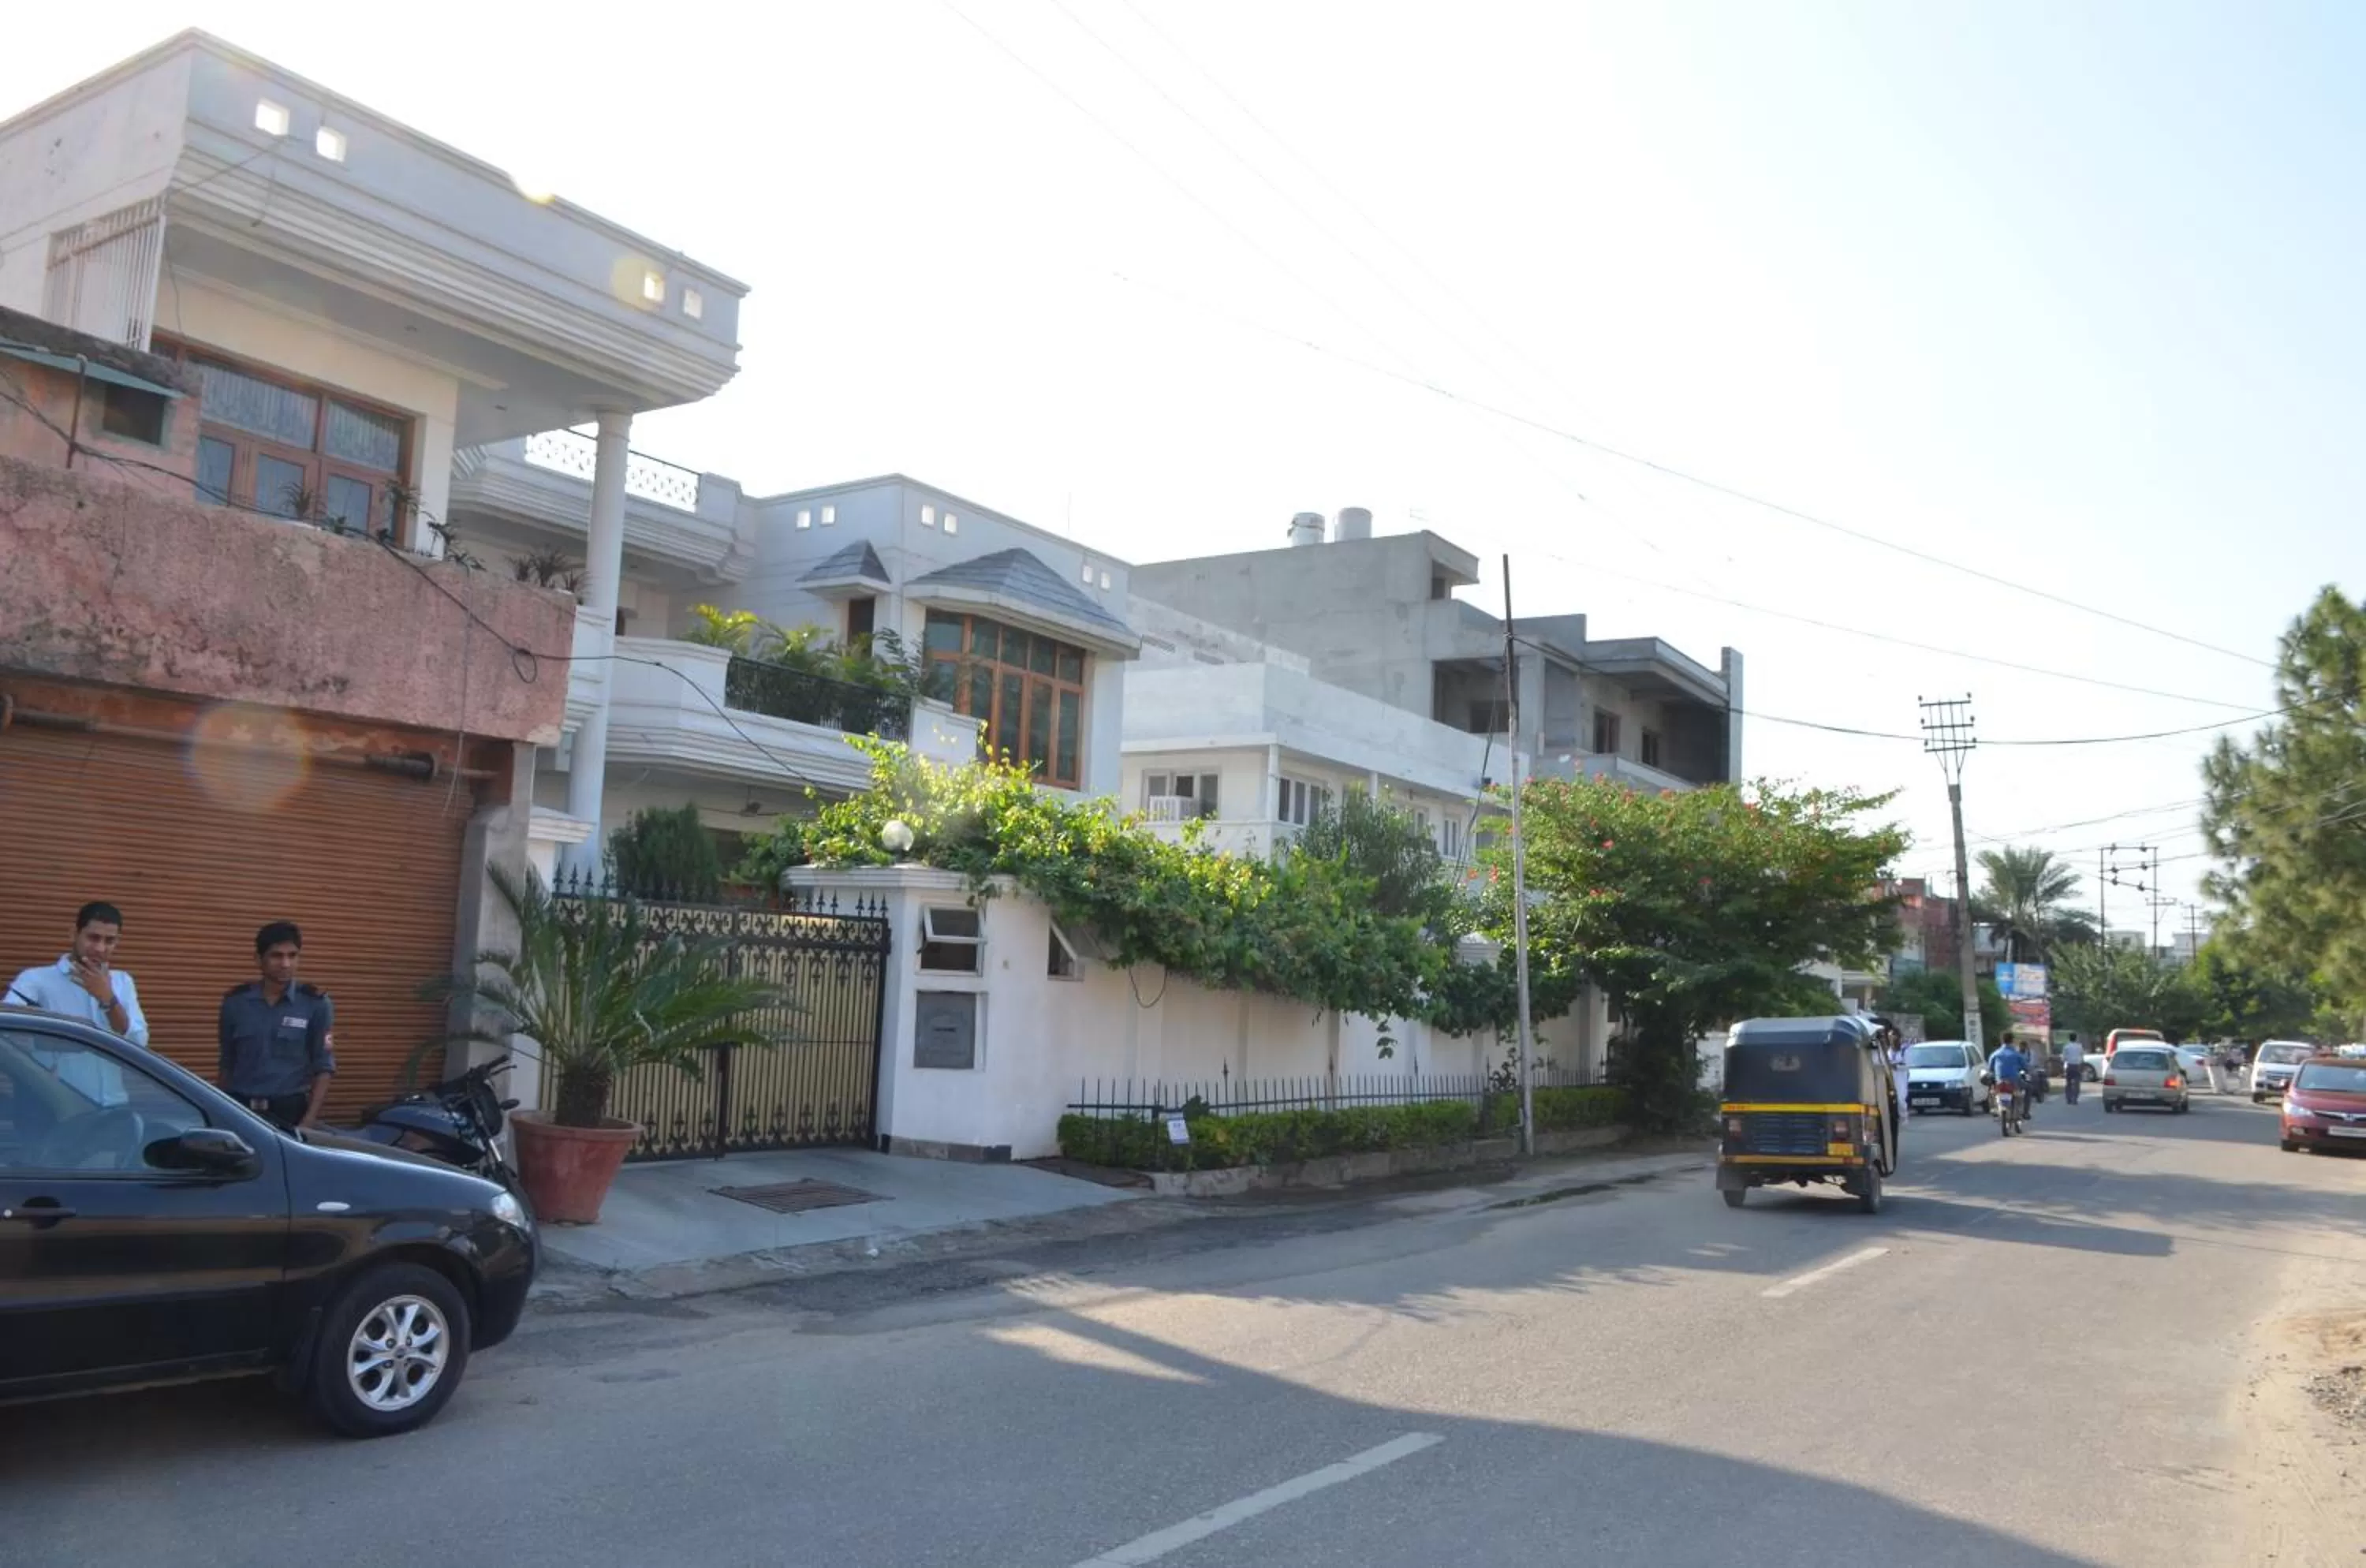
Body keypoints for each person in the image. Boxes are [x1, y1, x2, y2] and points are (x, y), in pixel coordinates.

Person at [6, 900, 150, 1106]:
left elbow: (138, 1043)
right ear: (74, 934)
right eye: (93, 938)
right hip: (53, 1108)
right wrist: (60, 1045)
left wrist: (108, 999)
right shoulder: (36, 981)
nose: (100, 948)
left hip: (113, 1105)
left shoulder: (122, 982)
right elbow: (10, 1037)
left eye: (109, 941)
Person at [218, 920, 336, 1132]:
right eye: (276, 955)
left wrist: (307, 1123)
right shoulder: (235, 1003)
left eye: (292, 955)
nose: (285, 964)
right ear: (258, 959)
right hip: (241, 1109)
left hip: (289, 1113)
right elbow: (227, 1062)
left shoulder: (315, 1004)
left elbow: (324, 1066)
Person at [1989, 1036, 2030, 1126]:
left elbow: (1990, 1068)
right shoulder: (2016, 1054)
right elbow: (2026, 1067)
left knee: (1992, 1091)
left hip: (2000, 1081)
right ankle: (2025, 1112)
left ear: (2002, 1041)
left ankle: (1994, 1108)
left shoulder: (1995, 1054)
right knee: (2028, 1089)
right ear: (2012, 1041)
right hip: (2014, 1081)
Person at [2062, 1032, 2085, 1105]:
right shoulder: (2080, 1046)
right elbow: (2082, 1057)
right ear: (2076, 1038)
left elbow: (2064, 1058)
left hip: (2070, 1065)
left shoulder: (2066, 1047)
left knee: (2068, 1083)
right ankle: (2075, 1099)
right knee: (2077, 1084)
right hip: (2077, 1066)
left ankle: (2069, 1099)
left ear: (2069, 1038)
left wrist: (2063, 1066)